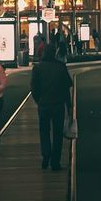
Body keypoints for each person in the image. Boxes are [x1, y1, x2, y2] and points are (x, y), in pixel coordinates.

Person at [31, 42, 72, 171]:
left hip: (43, 104)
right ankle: (55, 161)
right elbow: (66, 87)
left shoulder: (37, 68)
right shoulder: (61, 67)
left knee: (44, 131)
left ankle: (46, 154)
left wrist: (39, 100)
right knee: (57, 133)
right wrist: (69, 106)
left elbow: (34, 88)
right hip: (58, 104)